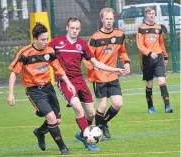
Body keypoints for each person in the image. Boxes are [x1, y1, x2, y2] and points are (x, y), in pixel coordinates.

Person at [48, 17, 125, 151]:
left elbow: (95, 63)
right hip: (65, 81)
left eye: (77, 28)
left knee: (91, 114)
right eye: (72, 28)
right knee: (78, 109)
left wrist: (115, 69)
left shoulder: (82, 45)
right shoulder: (57, 42)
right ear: (67, 28)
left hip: (80, 81)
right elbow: (44, 53)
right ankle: (88, 141)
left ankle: (83, 133)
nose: (74, 31)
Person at [7, 23, 76, 155]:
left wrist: (68, 83)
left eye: (47, 39)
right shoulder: (25, 53)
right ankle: (63, 148)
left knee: (57, 120)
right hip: (34, 90)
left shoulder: (50, 51)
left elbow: (58, 69)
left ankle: (39, 132)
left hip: (48, 88)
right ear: (35, 38)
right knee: (51, 118)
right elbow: (13, 73)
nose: (46, 42)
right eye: (43, 39)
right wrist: (11, 94)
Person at [84, 8, 131, 139]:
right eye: (106, 19)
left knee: (118, 103)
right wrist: (93, 68)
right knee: (102, 105)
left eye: (111, 19)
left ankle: (102, 124)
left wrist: (126, 62)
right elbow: (87, 57)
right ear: (102, 20)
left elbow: (122, 51)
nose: (109, 21)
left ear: (114, 19)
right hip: (99, 77)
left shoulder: (119, 34)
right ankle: (98, 130)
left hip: (113, 75)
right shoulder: (95, 37)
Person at [136, 6, 173, 114]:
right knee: (150, 84)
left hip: (159, 57)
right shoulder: (141, 28)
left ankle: (167, 107)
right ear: (146, 15)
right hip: (147, 59)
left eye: (153, 13)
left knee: (162, 81)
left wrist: (165, 56)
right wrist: (149, 53)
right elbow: (140, 45)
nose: (152, 15)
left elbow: (161, 43)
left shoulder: (158, 27)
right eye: (150, 13)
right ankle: (150, 107)